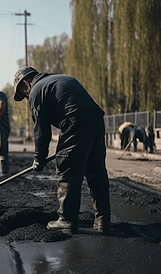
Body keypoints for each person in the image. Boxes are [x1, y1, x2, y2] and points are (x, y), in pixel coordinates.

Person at [13, 66, 110, 233]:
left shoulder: (36, 90)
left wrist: (39, 157)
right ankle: (103, 221)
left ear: (26, 83)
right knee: (96, 171)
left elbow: (41, 130)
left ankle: (66, 220)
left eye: (23, 93)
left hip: (75, 120)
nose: (26, 97)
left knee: (68, 168)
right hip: (96, 119)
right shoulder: (60, 79)